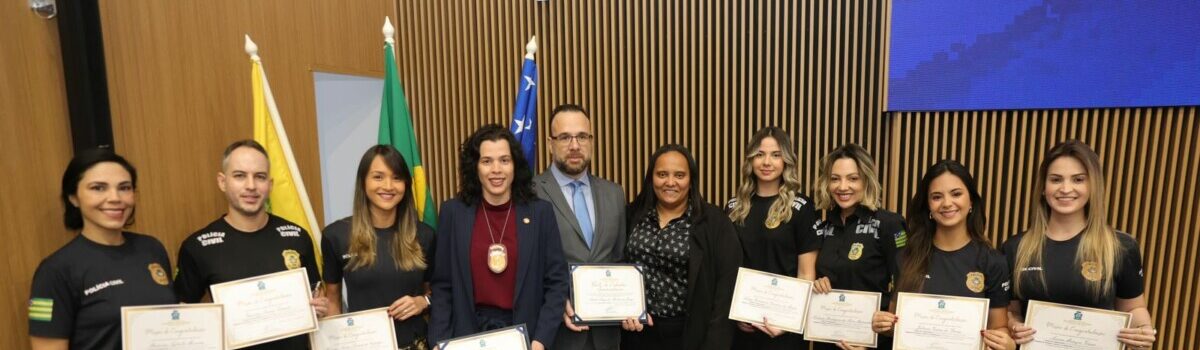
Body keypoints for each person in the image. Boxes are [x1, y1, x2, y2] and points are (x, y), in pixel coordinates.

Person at [173, 140, 328, 349]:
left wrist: (319, 307)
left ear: (270, 185)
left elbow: (317, 295)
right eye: (239, 176)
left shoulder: (297, 237)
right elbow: (182, 317)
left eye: (260, 177)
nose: (251, 186)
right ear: (222, 181)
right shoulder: (198, 247)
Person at [1003, 140, 1156, 349]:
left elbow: (1133, 308)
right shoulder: (1015, 247)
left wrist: (1142, 330)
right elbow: (1011, 311)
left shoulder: (1121, 247)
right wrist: (1014, 326)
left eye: (1078, 179)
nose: (1066, 189)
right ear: (1043, 187)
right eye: (1056, 180)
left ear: (1093, 185)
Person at [429, 124, 569, 350]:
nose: (496, 169)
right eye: (486, 161)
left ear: (515, 166)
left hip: (525, 337)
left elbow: (556, 283)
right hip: (467, 337)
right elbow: (443, 285)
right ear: (475, 167)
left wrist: (540, 341)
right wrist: (438, 341)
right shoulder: (452, 213)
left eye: (504, 160)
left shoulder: (540, 212)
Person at [29, 149, 176, 350]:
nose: (115, 198)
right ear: (73, 197)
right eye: (98, 188)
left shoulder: (152, 248)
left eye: (124, 188)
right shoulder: (54, 271)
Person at [870, 160, 1015, 350]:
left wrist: (1005, 342)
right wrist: (882, 324)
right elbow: (895, 324)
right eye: (937, 197)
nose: (947, 203)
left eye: (956, 194)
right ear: (928, 205)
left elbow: (999, 327)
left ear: (971, 200)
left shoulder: (992, 261)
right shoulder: (907, 257)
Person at [620, 144, 742, 350]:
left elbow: (726, 289)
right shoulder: (631, 214)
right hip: (637, 334)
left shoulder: (714, 222)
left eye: (679, 175)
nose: (670, 182)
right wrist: (621, 309)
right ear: (651, 178)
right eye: (661, 174)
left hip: (691, 336)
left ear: (691, 180)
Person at [532, 104, 628, 350]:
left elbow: (618, 259)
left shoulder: (614, 193)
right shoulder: (529, 194)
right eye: (565, 137)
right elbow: (525, 269)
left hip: (607, 337)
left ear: (591, 140)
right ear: (550, 143)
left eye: (582, 136)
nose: (574, 146)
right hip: (556, 335)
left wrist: (630, 305)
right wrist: (553, 299)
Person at [321, 145, 435, 349]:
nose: (388, 186)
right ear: (363, 182)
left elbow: (438, 295)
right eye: (378, 177)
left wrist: (422, 302)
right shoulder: (335, 236)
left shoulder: (425, 235)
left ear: (406, 185)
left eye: (397, 178)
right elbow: (332, 300)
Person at [725, 127, 820, 349]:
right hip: (742, 327)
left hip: (783, 330)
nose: (767, 162)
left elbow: (806, 273)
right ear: (750, 160)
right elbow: (727, 268)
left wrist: (789, 321)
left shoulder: (802, 208)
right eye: (760, 154)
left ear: (786, 160)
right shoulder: (734, 207)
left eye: (776, 155)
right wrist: (736, 313)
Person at [809, 144, 904, 350]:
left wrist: (881, 329)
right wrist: (817, 284)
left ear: (866, 180)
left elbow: (906, 286)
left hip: (870, 342)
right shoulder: (822, 226)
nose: (843, 187)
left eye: (853, 178)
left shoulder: (889, 224)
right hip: (827, 340)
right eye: (835, 179)